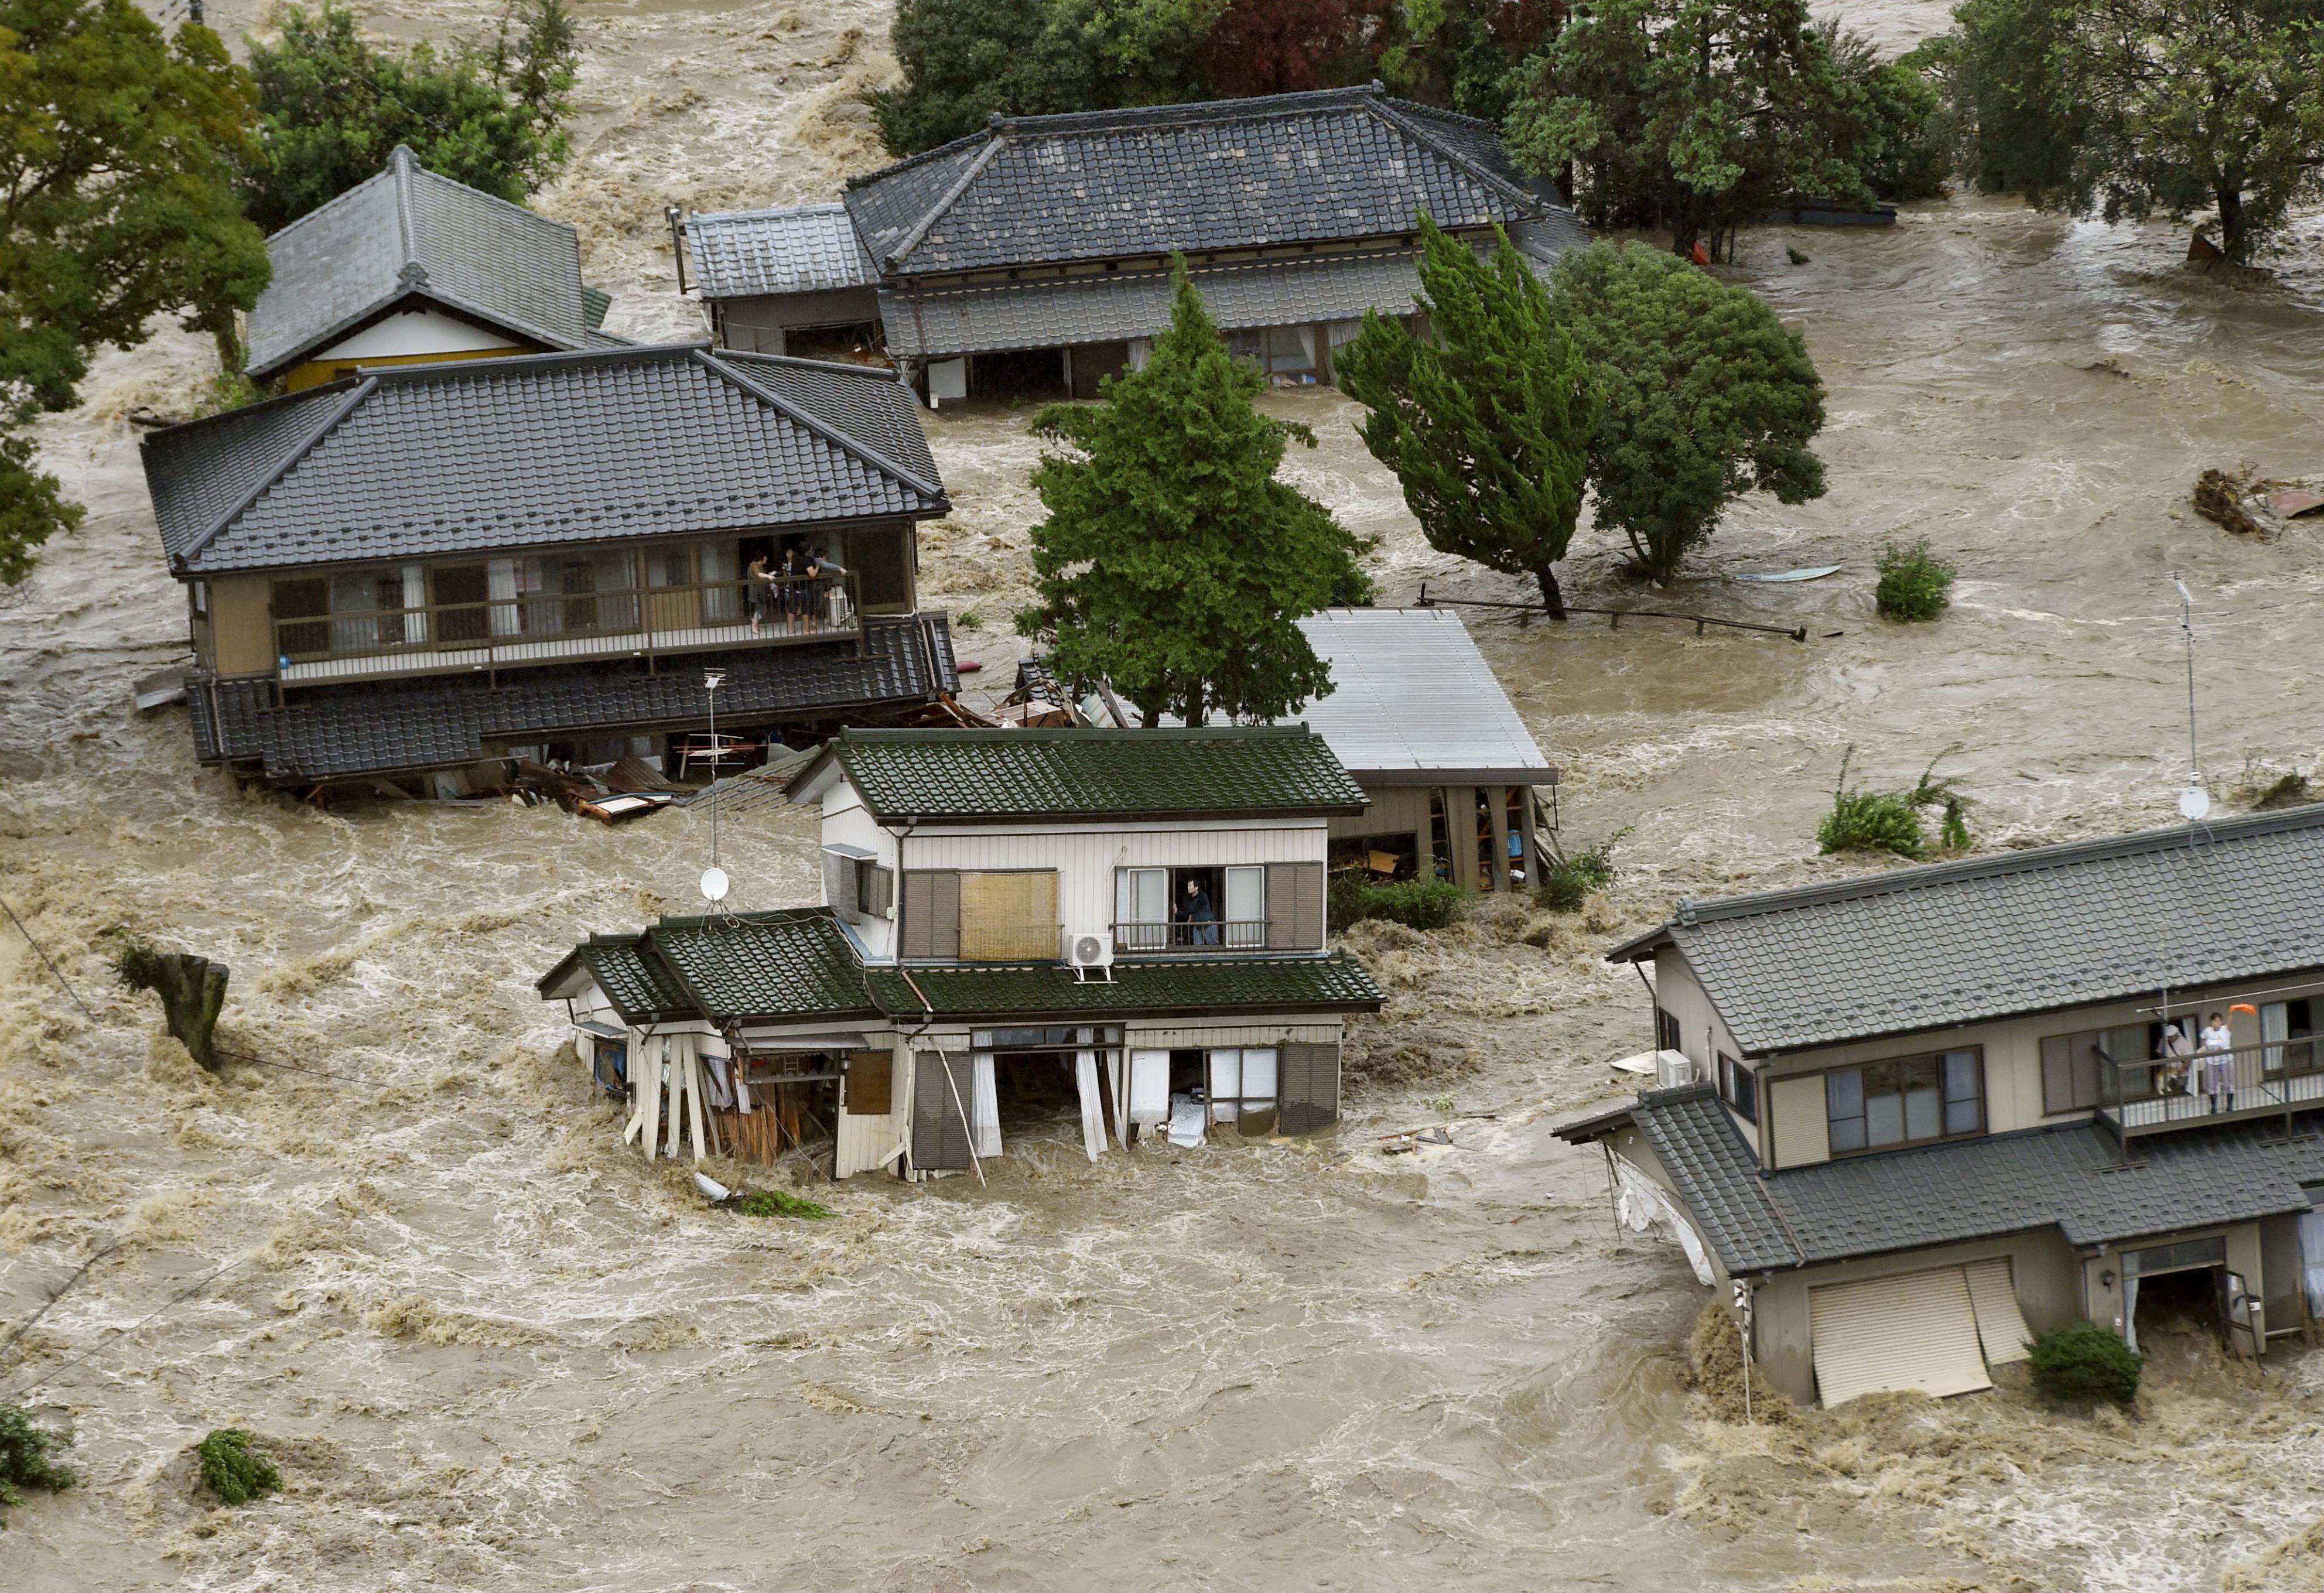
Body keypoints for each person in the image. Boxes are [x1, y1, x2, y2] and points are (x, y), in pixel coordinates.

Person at [2199, 1011, 2235, 1113]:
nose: (2216, 1023)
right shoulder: (2208, 1031)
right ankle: (2214, 1106)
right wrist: (2206, 1049)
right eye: (2214, 1021)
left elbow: (2230, 1024)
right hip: (2212, 1061)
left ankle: (2230, 1105)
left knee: (2228, 1082)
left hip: (2226, 1060)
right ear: (2211, 1022)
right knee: (2212, 1083)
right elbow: (2203, 1039)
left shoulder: (2225, 1029)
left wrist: (2231, 1013)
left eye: (2219, 1021)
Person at [2155, 1021, 2194, 1097]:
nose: (2169, 1039)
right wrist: (2162, 1066)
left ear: (2176, 1034)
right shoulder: (2163, 1041)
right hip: (2167, 1070)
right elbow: (2160, 1054)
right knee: (2165, 1087)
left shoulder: (2184, 1042)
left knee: (2179, 1090)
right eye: (2168, 1037)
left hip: (2179, 1070)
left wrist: (2181, 1071)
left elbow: (2188, 1058)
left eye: (2171, 1036)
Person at [1178, 877, 1219, 946]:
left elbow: (1195, 910)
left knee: (1213, 946)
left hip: (1208, 924)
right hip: (1198, 925)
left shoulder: (1203, 897)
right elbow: (1192, 913)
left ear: (1196, 888)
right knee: (1197, 947)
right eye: (1188, 886)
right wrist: (1189, 920)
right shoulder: (1191, 899)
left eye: (1190, 886)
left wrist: (1179, 913)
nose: (1188, 888)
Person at [744, 553, 775, 635]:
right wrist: (768, 576)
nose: (766, 558)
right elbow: (758, 574)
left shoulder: (759, 566)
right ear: (761, 558)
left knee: (759, 607)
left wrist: (769, 575)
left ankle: (756, 624)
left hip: (760, 589)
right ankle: (754, 625)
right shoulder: (754, 565)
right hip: (756, 590)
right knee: (762, 608)